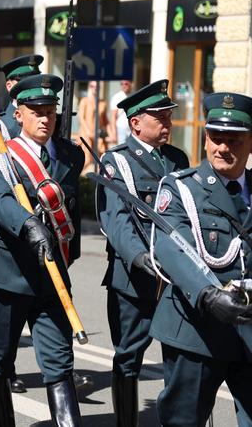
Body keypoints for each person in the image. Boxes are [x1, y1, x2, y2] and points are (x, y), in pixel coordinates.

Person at [0, 73, 85, 426]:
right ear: (18, 113)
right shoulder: (1, 153)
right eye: (35, 111)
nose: (44, 119)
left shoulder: (70, 155)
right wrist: (28, 224)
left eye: (49, 111)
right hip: (8, 276)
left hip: (52, 276)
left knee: (59, 361)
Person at [150, 92, 252, 427]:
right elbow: (171, 247)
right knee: (184, 421)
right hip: (198, 330)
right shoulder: (181, 188)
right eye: (216, 138)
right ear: (205, 138)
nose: (223, 148)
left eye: (234, 140)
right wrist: (209, 294)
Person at [99, 79, 189, 426]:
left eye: (169, 116)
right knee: (128, 358)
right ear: (136, 122)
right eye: (160, 117)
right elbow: (116, 223)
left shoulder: (177, 159)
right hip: (135, 279)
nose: (167, 123)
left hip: (175, 280)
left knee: (180, 357)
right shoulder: (117, 163)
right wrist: (142, 258)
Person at [0, 55, 43, 141]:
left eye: (35, 81)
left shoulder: (48, 119)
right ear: (9, 86)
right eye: (24, 83)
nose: (31, 87)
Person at [78, 81, 110, 171]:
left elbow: (105, 121)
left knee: (102, 159)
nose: (94, 88)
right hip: (86, 134)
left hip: (98, 135)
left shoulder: (103, 103)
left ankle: (98, 181)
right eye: (92, 86)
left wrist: (110, 133)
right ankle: (79, 178)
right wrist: (87, 130)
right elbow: (81, 118)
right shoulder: (84, 101)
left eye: (97, 86)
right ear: (89, 87)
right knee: (87, 159)